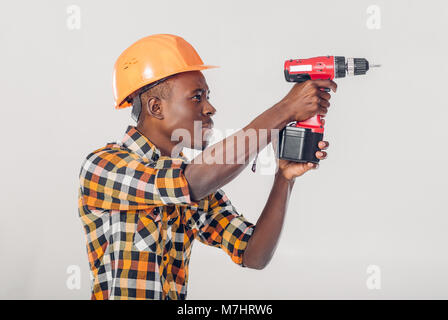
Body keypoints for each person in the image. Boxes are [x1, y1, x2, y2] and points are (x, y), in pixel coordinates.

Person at [78, 34, 336, 300]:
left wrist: (284, 178)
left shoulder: (196, 185)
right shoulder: (102, 166)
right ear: (156, 107)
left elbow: (254, 255)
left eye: (207, 96)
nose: (210, 108)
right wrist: (285, 109)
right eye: (197, 97)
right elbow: (189, 182)